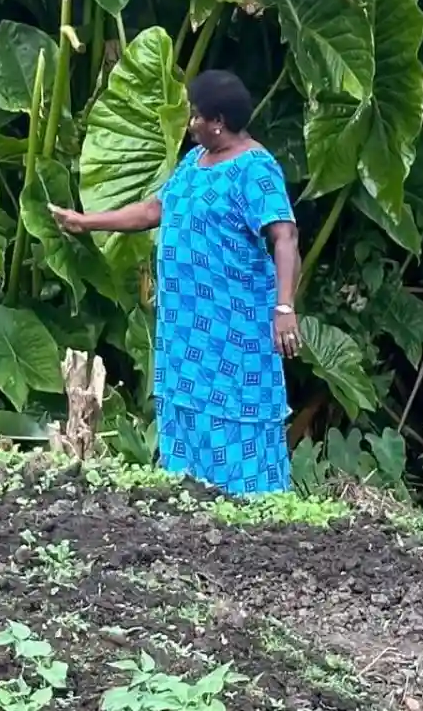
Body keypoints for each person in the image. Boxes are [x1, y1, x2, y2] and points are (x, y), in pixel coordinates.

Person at [49, 70, 300, 495]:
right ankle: (190, 499)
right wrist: (87, 222)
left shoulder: (255, 169)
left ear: (218, 120)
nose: (190, 123)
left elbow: (285, 236)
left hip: (232, 324)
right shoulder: (194, 161)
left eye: (195, 116)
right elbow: (153, 211)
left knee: (232, 409)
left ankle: (248, 506)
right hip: (186, 322)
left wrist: (284, 307)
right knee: (185, 405)